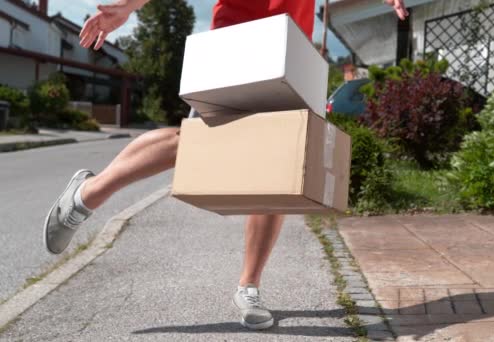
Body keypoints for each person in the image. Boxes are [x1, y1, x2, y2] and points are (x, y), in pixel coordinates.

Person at [43, 0, 408, 331]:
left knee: (278, 167)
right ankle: (86, 195)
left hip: (290, 53)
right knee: (195, 145)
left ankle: (249, 287)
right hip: (236, 46)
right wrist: (130, 7)